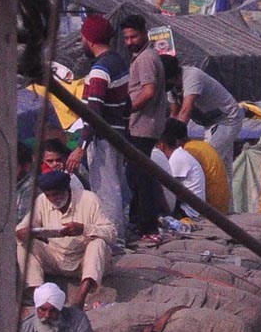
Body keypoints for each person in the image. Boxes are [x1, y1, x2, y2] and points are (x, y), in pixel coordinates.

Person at [67, 15, 129, 238]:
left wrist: (81, 146)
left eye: (83, 36)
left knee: (106, 191)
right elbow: (127, 104)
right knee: (116, 186)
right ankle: (118, 234)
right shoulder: (119, 62)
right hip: (118, 134)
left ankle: (112, 238)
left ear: (89, 39)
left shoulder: (100, 70)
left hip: (103, 138)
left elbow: (93, 112)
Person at [16, 171, 117, 308]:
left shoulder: (89, 199)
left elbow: (111, 233)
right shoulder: (41, 201)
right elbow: (22, 227)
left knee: (98, 242)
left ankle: (81, 297)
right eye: (49, 195)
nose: (53, 199)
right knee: (24, 245)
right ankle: (38, 295)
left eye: (56, 194)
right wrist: (23, 232)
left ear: (67, 190)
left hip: (83, 260)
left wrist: (83, 229)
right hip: (56, 258)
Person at [121, 15, 170, 242]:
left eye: (134, 36)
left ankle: (147, 226)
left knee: (140, 177)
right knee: (137, 175)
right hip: (144, 126)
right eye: (127, 38)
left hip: (143, 126)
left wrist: (127, 110)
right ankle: (140, 221)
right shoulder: (145, 57)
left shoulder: (145, 59)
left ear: (144, 33)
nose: (130, 41)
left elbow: (148, 91)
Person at [161, 56, 243, 173]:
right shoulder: (171, 88)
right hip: (210, 123)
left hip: (228, 118)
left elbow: (185, 111)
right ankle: (226, 191)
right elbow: (174, 114)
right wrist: (166, 138)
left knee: (206, 158)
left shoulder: (192, 76)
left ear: (168, 75)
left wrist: (175, 141)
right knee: (222, 167)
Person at [156, 118, 206, 220]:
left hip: (189, 211)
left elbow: (169, 191)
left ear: (161, 145)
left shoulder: (177, 158)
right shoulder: (180, 154)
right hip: (189, 207)